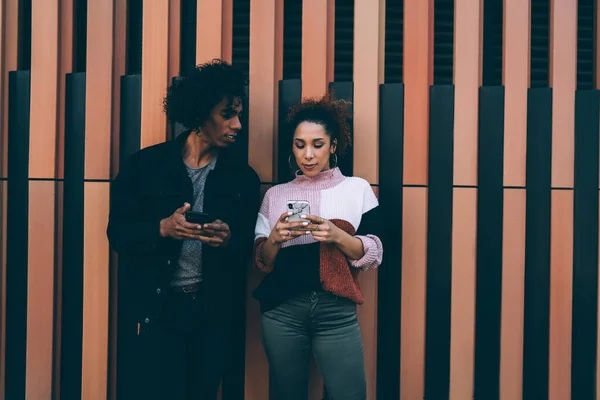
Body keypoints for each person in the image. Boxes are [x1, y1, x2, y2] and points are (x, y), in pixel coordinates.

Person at [107, 59, 260, 400]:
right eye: (227, 114)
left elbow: (251, 248)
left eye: (239, 114)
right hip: (158, 311)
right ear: (200, 113)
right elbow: (118, 233)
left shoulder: (243, 178)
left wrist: (229, 240)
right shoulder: (145, 166)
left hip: (212, 314)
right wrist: (162, 228)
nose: (238, 124)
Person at [252, 95, 384, 399]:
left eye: (317, 144)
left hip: (336, 311)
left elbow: (374, 251)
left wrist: (337, 236)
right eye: (300, 145)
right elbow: (262, 259)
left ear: (333, 145)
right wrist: (275, 239)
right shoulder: (275, 195)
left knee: (350, 394)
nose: (307, 155)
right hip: (282, 312)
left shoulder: (357, 189)